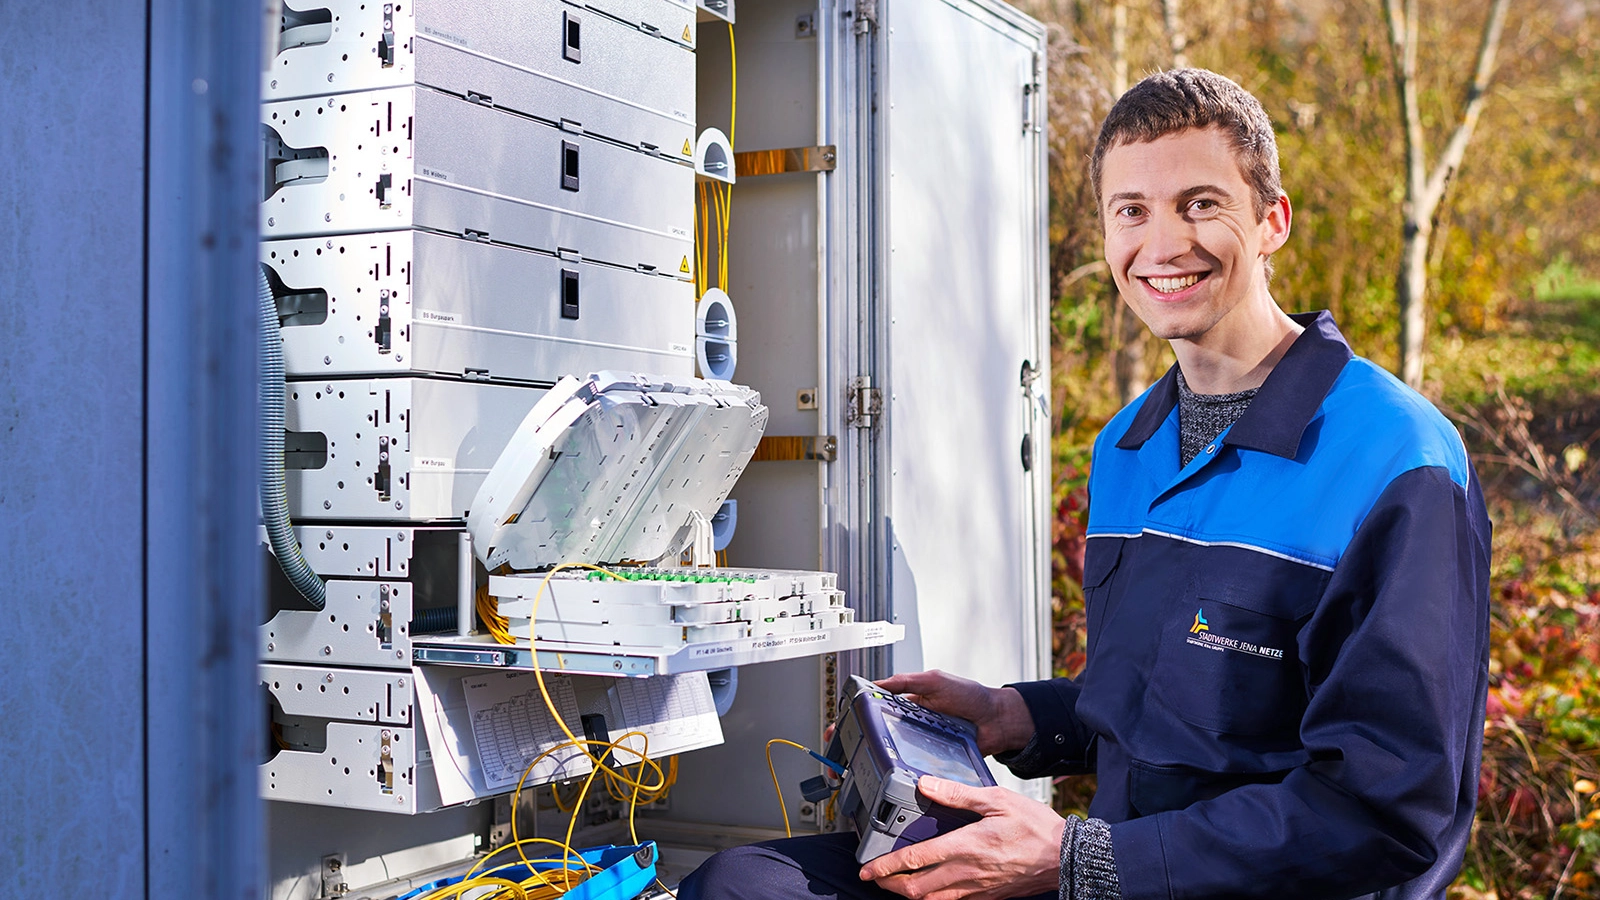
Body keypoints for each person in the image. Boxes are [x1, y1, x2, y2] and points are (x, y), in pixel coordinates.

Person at [678, 68, 1491, 900]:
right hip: (1115, 874)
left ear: (1272, 221)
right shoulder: (1130, 446)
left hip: (1236, 884)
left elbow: (1389, 813)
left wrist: (1082, 859)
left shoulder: (1397, 456)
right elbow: (1168, 710)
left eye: (1201, 205)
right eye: (1131, 211)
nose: (1164, 244)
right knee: (745, 883)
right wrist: (1016, 716)